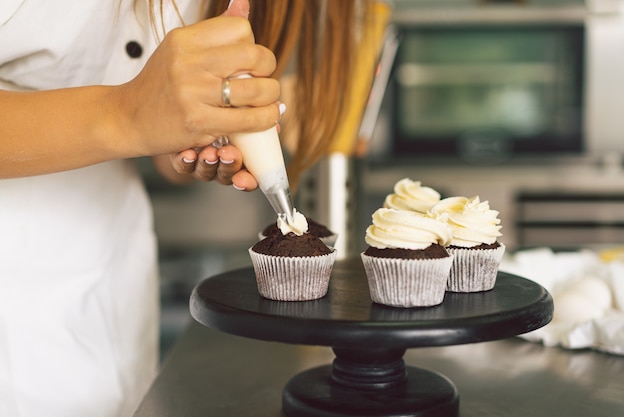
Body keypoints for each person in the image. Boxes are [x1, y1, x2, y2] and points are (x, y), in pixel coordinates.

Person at [0, 0, 374, 416]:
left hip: (111, 280)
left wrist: (199, 133)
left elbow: (164, 145)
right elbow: (134, 115)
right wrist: (125, 115)